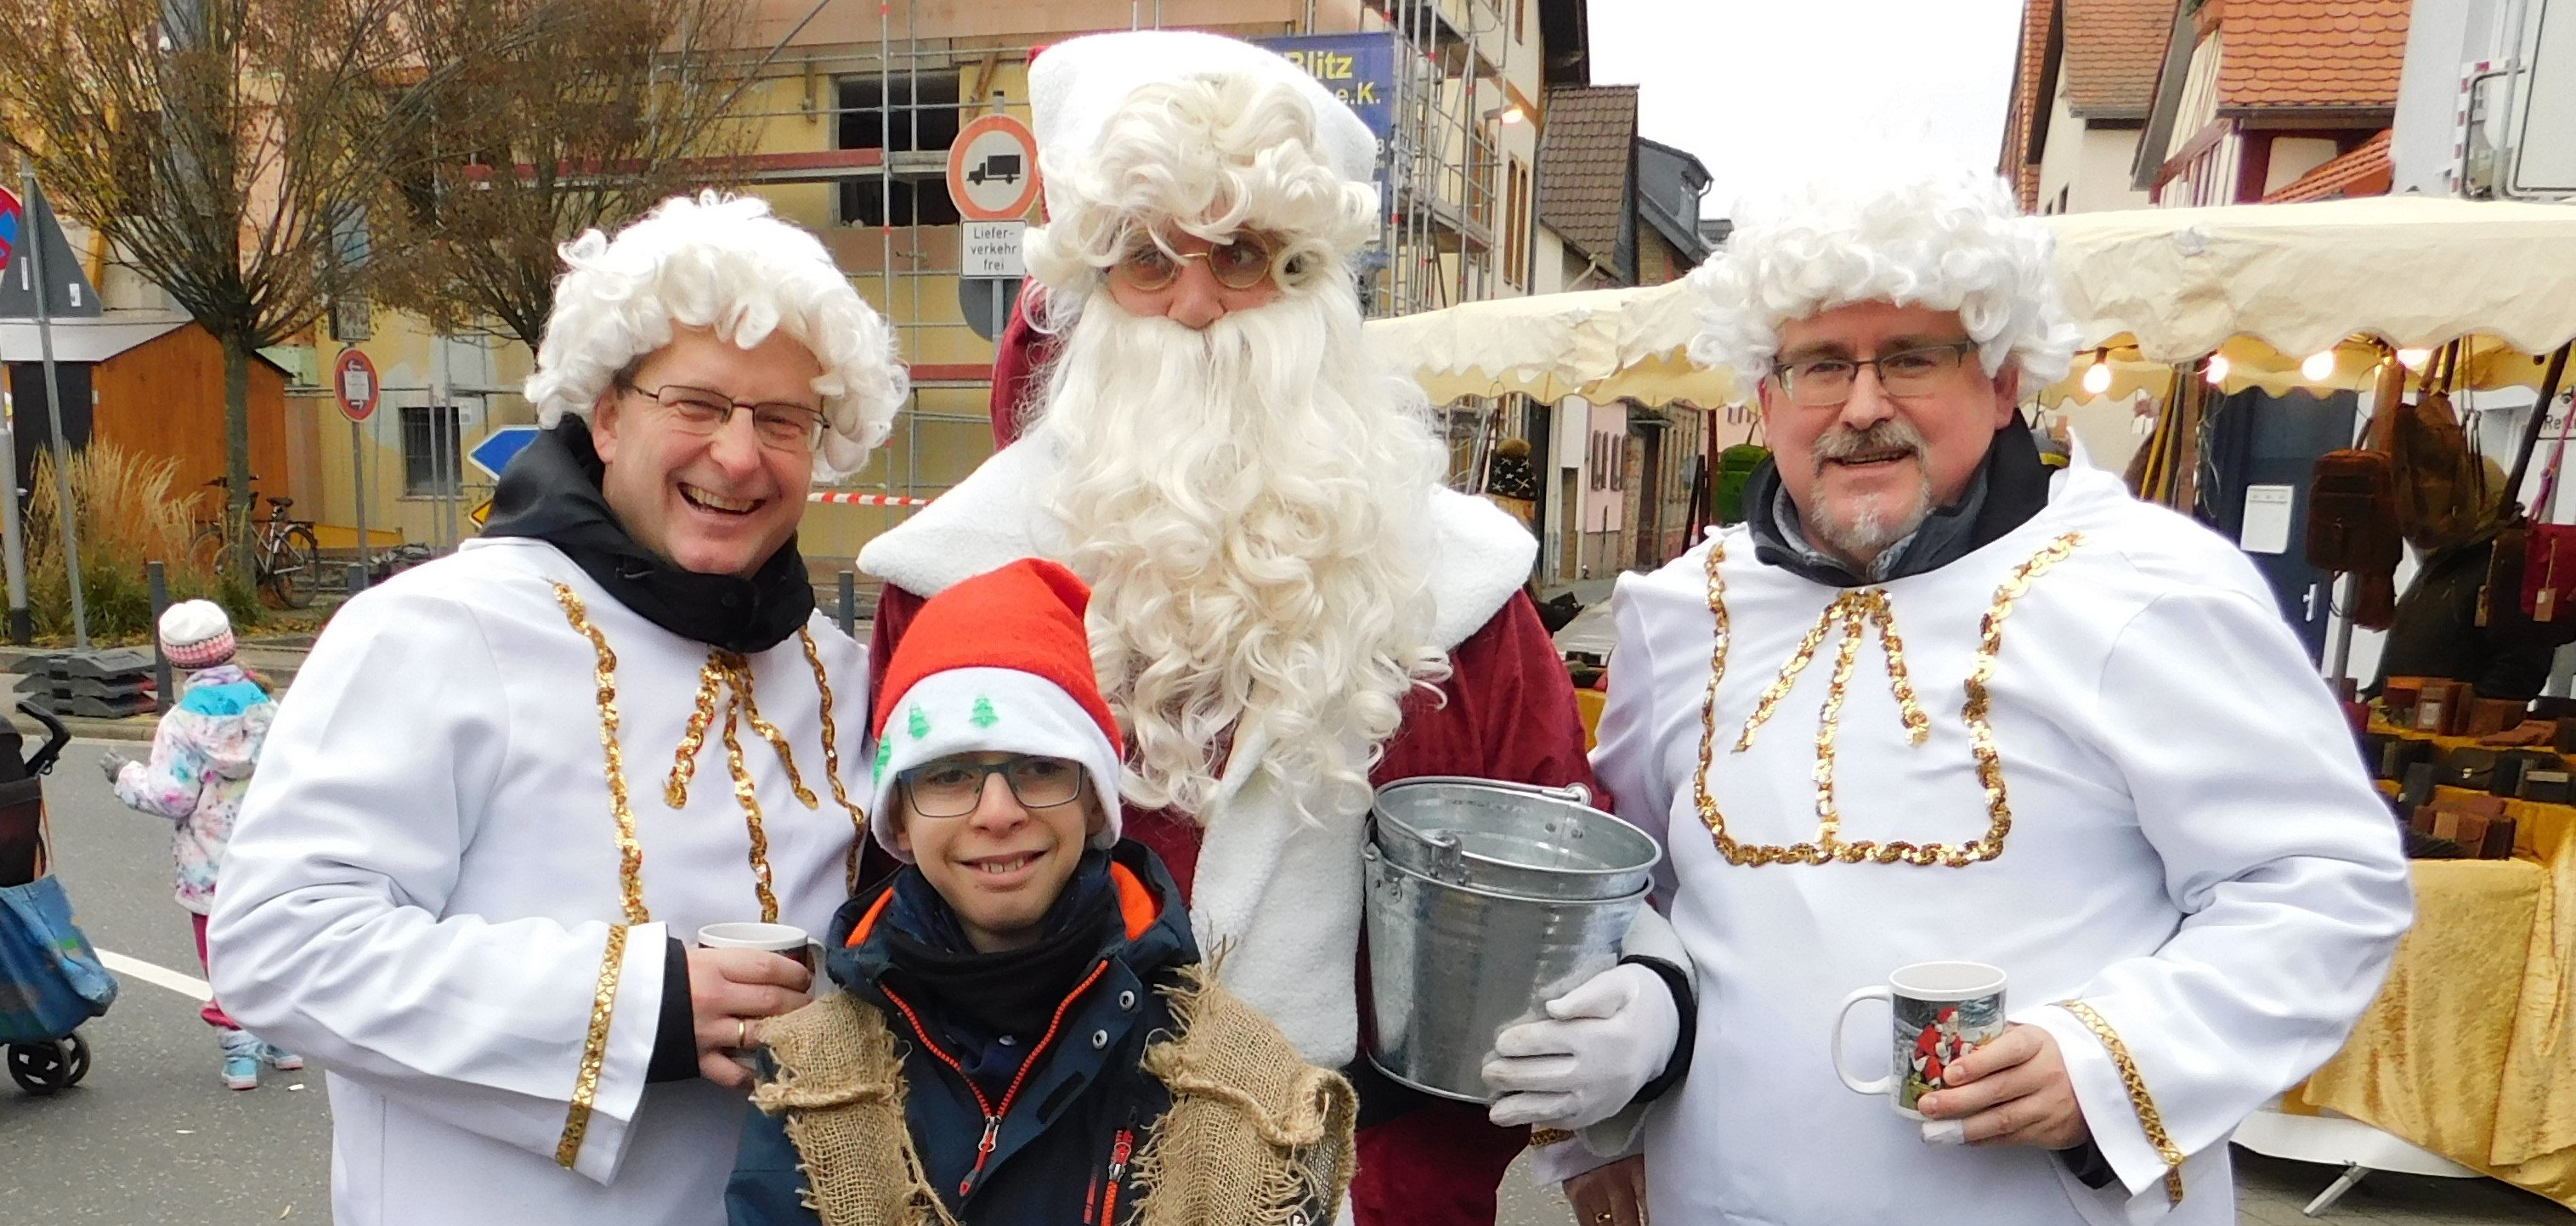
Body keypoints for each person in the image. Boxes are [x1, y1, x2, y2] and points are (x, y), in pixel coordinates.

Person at [855, 31, 1684, 1226]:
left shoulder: (1456, 585)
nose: (1194, 306)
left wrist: (1645, 997)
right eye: (1148, 259)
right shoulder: (950, 575)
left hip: (1367, 1187)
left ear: (1309, 283)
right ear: (1089, 289)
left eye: (1239, 255)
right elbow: (885, 901)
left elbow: (1561, 854)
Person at [1576, 165, 2414, 1224]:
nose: (1863, 407)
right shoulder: (1678, 612)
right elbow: (1624, 895)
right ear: (1767, 396)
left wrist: (2111, 1060)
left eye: (1912, 358)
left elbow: (2324, 881)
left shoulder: (2146, 585)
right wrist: (1601, 1117)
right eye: (1821, 365)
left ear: (2005, 379)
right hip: (1721, 1200)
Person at [207, 192, 908, 1226]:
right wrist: (641, 1008)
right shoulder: (437, 628)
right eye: (696, 404)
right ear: (608, 416)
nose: (738, 455)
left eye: (782, 421)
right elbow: (280, 943)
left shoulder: (845, 675)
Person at [728, 557, 1356, 1225]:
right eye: (949, 774)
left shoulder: (1235, 1082)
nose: (997, 812)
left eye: (1039, 767)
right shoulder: (816, 1077)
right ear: (899, 819)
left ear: (1095, 802)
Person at [101, 598, 297, 1090]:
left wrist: (125, 776)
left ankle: (241, 1054)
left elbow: (171, 796)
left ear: (175, 659)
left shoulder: (180, 723)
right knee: (273, 944)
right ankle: (285, 1039)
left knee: (223, 954)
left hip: (211, 864)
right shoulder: (269, 706)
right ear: (228, 645)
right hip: (273, 854)